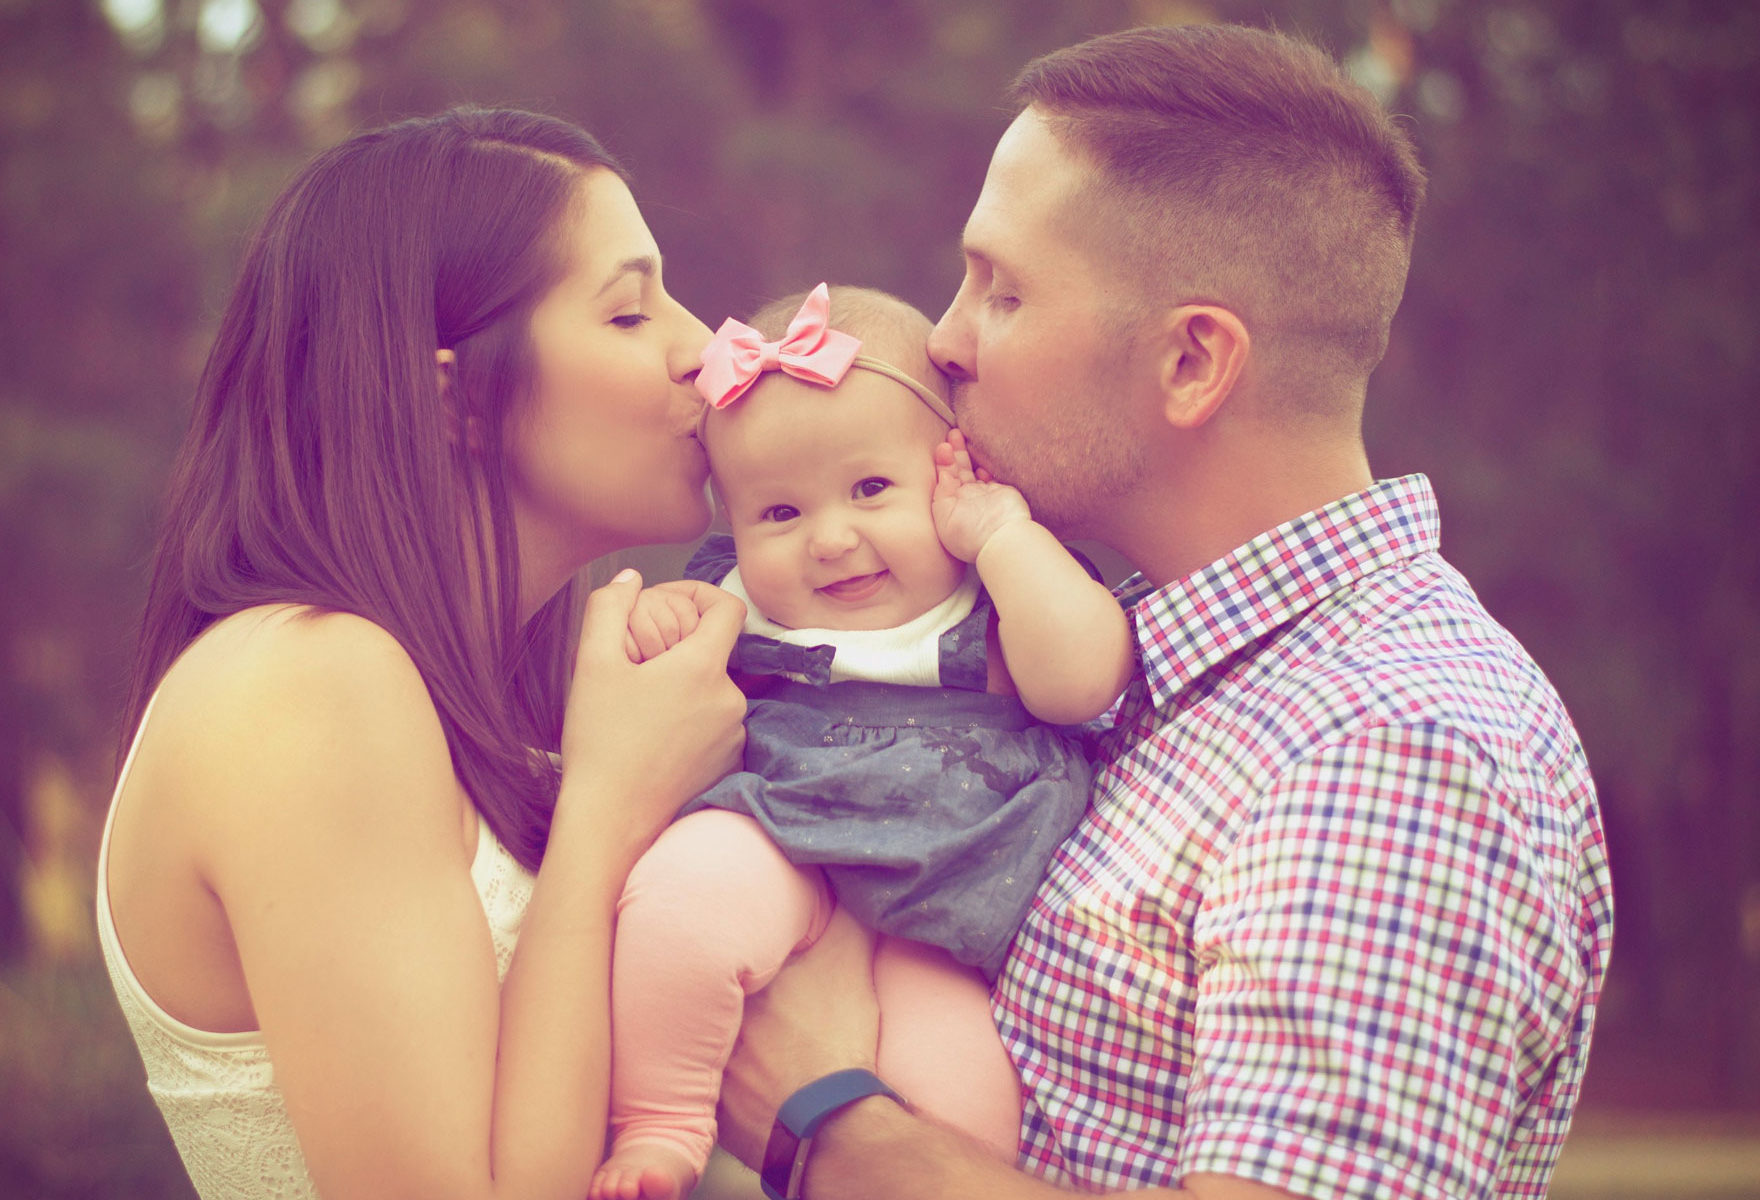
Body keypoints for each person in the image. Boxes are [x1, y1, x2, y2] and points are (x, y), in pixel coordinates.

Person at [715, 24, 1614, 1200]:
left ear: (1193, 361)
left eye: (1004, 290)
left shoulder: (1393, 747)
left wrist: (828, 1122)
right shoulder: (1123, 655)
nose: (944, 339)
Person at [95, 106, 751, 1200]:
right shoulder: (306, 684)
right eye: (632, 312)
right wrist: (607, 806)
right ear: (456, 398)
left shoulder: (500, 699)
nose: (706, 347)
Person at [589, 283, 1131, 1200]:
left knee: (962, 1118)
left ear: (954, 470)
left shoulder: (998, 585)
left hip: (948, 913)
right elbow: (668, 685)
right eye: (779, 514)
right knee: (676, 907)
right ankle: (661, 1123)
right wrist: (664, 622)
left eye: (872, 489)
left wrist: (1000, 532)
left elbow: (1085, 681)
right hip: (781, 836)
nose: (831, 540)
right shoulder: (738, 602)